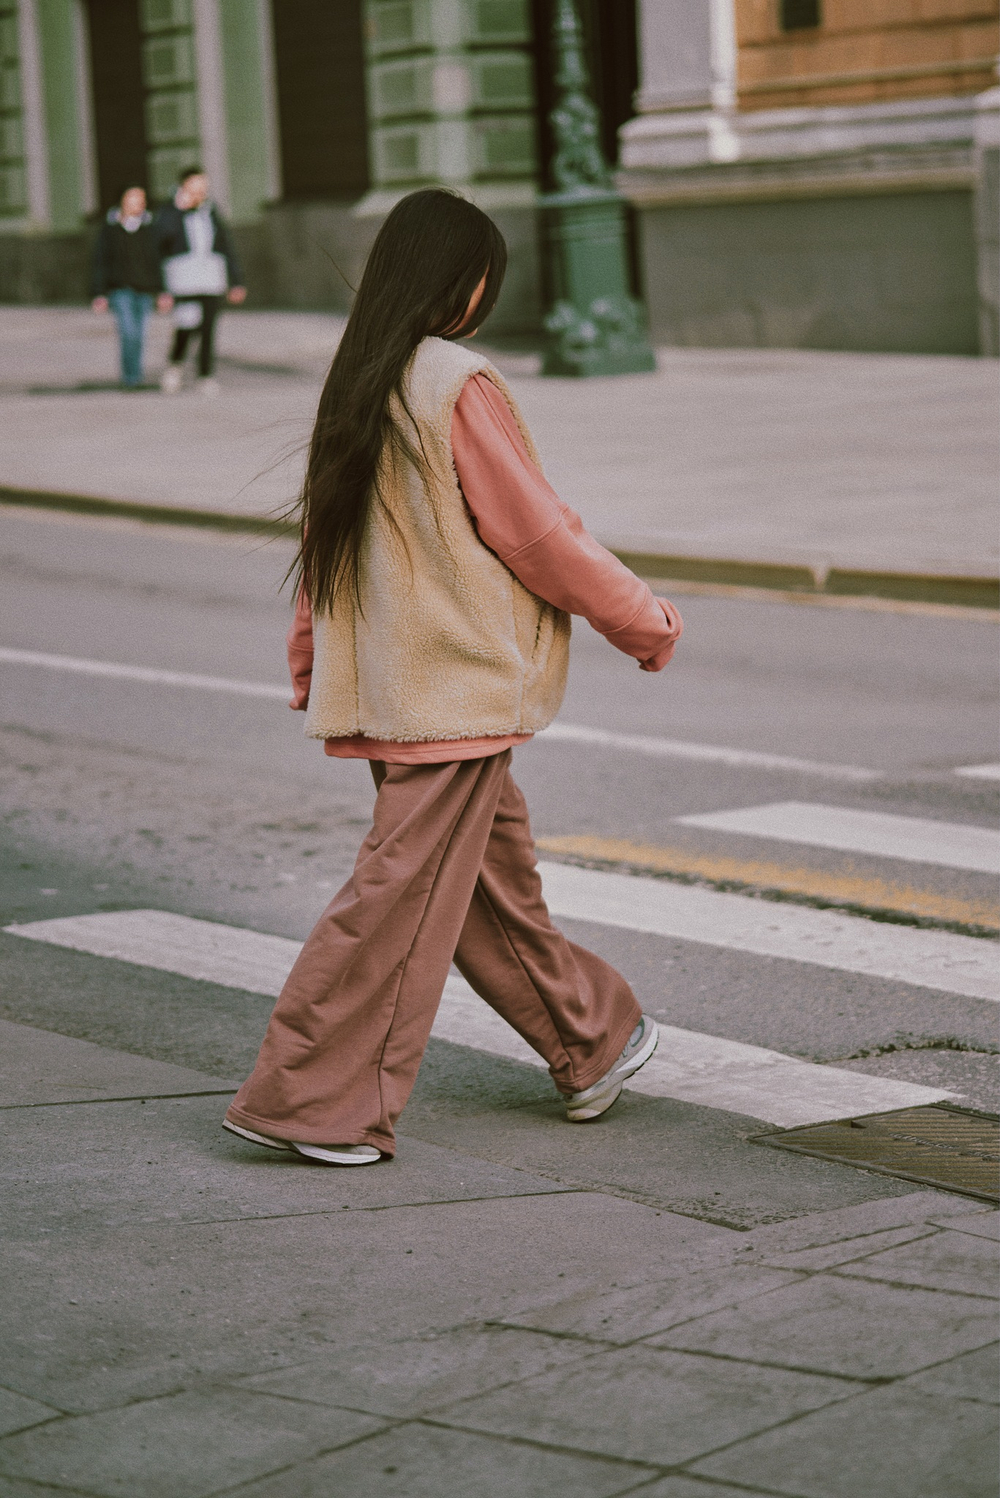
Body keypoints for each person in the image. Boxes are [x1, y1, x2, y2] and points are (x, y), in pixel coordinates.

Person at [223, 188, 683, 1167]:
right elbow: (536, 532)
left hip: (395, 690)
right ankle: (313, 1100)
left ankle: (590, 1040)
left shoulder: (361, 378)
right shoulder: (454, 382)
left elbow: (325, 545)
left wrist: (313, 663)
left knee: (483, 886)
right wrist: (640, 621)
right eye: (484, 273)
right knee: (398, 896)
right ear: (460, 283)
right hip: (452, 691)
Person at [156, 166, 246, 395]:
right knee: (186, 325)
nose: (199, 193)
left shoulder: (211, 211)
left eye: (203, 188)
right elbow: (160, 241)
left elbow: (226, 246)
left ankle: (205, 375)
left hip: (211, 278)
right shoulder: (169, 212)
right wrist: (179, 211)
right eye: (194, 188)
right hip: (183, 279)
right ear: (183, 187)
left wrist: (236, 281)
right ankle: (174, 365)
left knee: (208, 328)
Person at [90, 186, 172, 389]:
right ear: (123, 201)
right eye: (133, 198)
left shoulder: (150, 229)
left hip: (144, 290)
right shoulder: (110, 229)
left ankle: (135, 375)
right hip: (121, 290)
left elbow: (156, 262)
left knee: (140, 334)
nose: (137, 203)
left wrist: (163, 291)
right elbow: (101, 261)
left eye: (141, 198)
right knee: (128, 332)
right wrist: (99, 293)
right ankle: (131, 377)